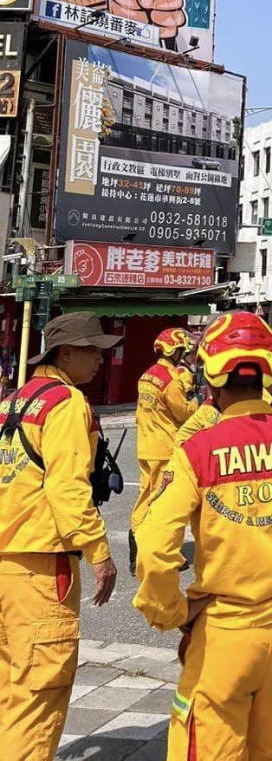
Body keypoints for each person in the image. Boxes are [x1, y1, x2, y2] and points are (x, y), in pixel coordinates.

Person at [133, 311, 272, 760]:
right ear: (270, 374)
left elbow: (153, 546)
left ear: (210, 379)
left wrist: (173, 612)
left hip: (223, 637)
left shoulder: (198, 450)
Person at [0, 311, 121, 760]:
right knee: (38, 697)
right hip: (41, 565)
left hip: (5, 561)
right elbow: (67, 486)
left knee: (11, 689)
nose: (100, 360)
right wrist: (99, 551)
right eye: (92, 350)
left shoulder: (14, 402)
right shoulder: (66, 403)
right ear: (64, 353)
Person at [128, 328, 197, 575]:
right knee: (167, 503)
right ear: (175, 350)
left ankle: (136, 546)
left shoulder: (147, 376)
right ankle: (165, 554)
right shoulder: (171, 381)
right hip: (166, 449)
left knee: (147, 496)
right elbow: (185, 413)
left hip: (146, 446)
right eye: (183, 350)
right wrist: (195, 398)